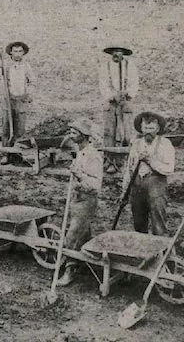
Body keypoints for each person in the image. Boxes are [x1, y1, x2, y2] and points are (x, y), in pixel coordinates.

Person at [56, 119, 103, 287]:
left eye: (74, 133)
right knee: (83, 232)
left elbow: (96, 186)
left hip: (87, 199)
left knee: (73, 235)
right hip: (76, 197)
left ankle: (70, 270)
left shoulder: (93, 156)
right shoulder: (79, 151)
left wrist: (79, 176)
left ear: (83, 136)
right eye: (71, 132)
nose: (71, 135)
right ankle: (86, 263)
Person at [120, 111, 174, 236]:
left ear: (158, 128)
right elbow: (129, 168)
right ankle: (142, 250)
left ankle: (161, 250)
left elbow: (169, 168)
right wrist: (125, 190)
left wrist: (151, 161)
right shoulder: (136, 144)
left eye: (151, 128)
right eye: (145, 128)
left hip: (156, 186)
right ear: (141, 128)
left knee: (158, 221)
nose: (148, 131)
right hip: (137, 185)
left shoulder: (165, 144)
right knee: (138, 221)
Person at [0, 41, 36, 163]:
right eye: (15, 51)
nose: (17, 54)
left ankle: (17, 153)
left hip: (21, 100)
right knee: (6, 128)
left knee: (20, 129)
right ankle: (5, 154)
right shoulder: (5, 65)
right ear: (10, 52)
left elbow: (32, 81)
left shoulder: (26, 66)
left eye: (20, 51)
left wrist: (29, 94)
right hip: (8, 100)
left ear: (23, 53)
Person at [99, 46, 139, 173]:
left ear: (123, 54)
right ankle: (109, 161)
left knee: (126, 133)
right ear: (111, 53)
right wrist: (111, 96)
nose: (117, 54)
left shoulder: (130, 66)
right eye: (114, 52)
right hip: (111, 103)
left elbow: (135, 83)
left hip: (125, 102)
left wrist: (128, 93)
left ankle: (123, 161)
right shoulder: (105, 67)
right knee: (109, 133)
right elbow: (103, 84)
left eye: (120, 52)